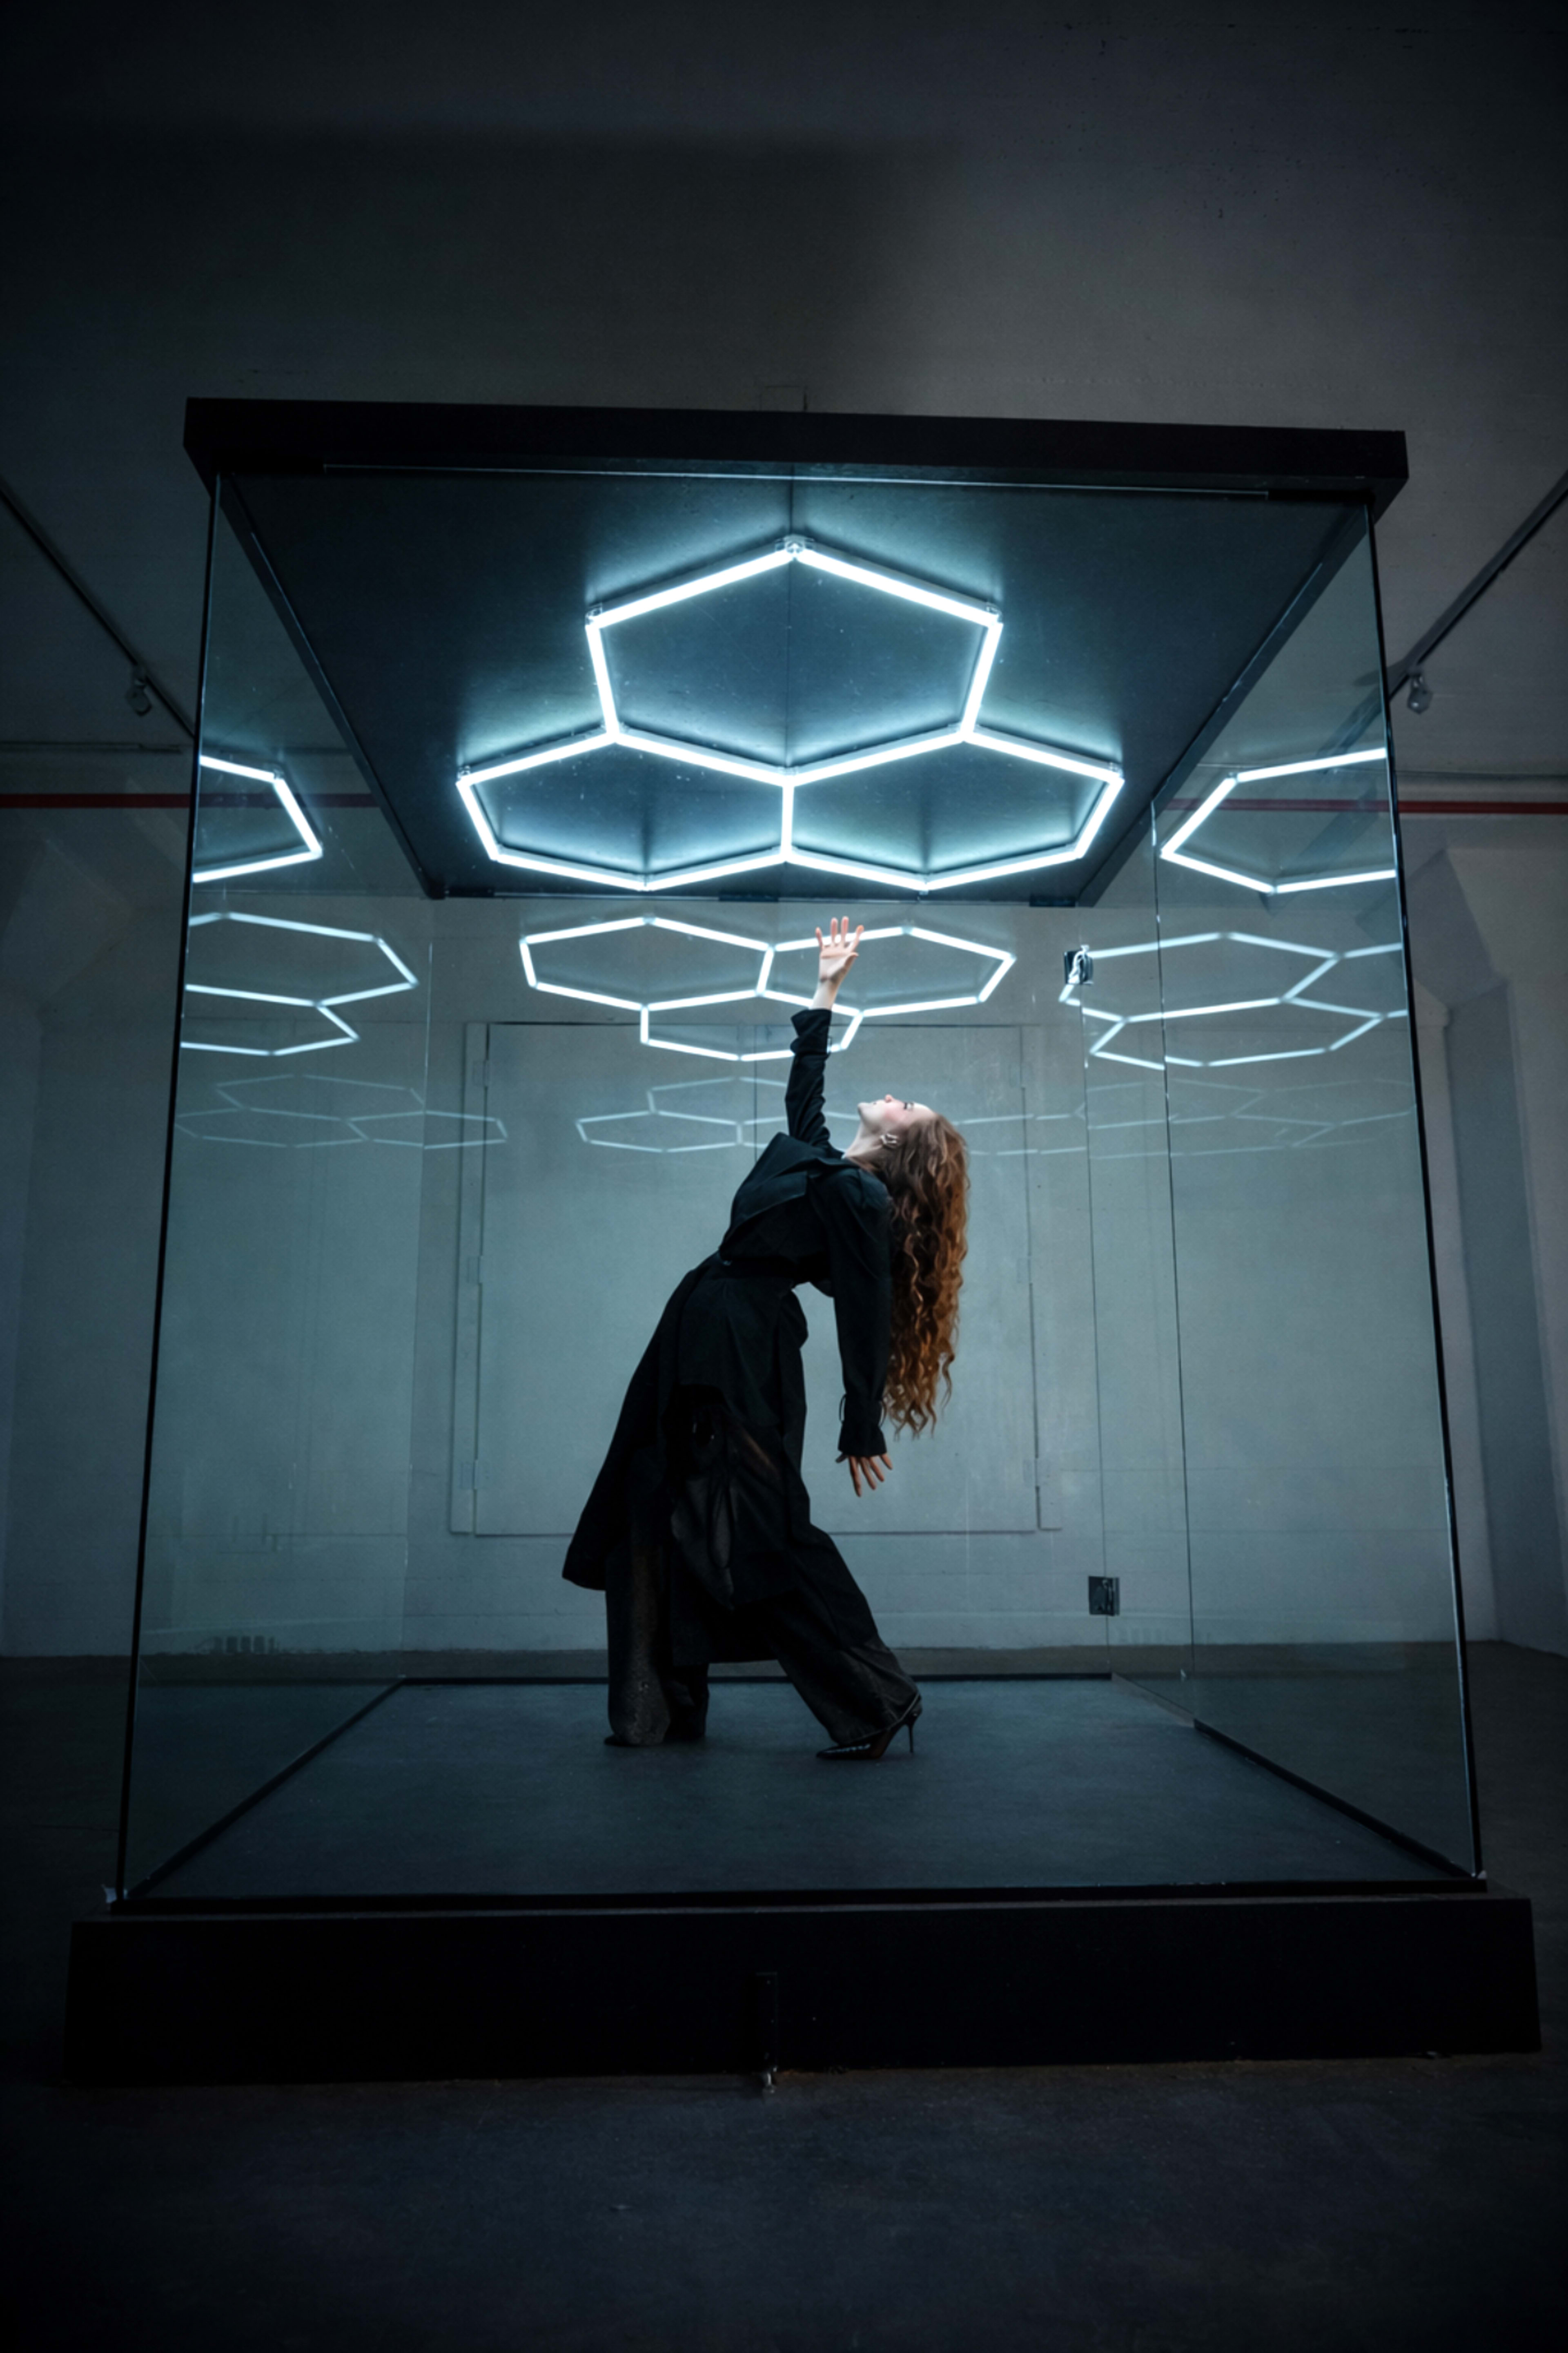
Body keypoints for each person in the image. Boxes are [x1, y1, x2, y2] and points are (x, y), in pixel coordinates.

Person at [564, 919, 970, 1761]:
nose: (892, 1095)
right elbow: (804, 1096)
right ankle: (657, 1708)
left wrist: (863, 1422)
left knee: (761, 1531)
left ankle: (877, 1697)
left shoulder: (860, 1207)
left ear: (897, 1141)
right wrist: (827, 988)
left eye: (905, 1105)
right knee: (656, 1497)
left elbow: (865, 1312)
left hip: (740, 1347)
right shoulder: (819, 1165)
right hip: (703, 1328)